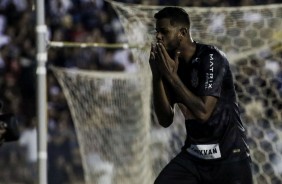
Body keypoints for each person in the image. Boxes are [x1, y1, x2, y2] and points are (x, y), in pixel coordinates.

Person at [149, 7, 253, 184]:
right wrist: (158, 76)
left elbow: (203, 112)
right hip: (195, 157)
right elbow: (165, 120)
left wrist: (171, 77)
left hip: (230, 158)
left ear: (182, 32)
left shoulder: (211, 57)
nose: (158, 36)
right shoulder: (171, 65)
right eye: (157, 31)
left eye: (164, 31)